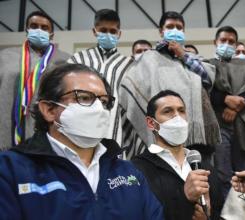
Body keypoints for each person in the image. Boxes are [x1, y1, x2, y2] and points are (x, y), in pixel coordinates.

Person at [0, 64, 163, 220]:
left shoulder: (128, 172)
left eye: (104, 101)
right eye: (84, 98)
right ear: (49, 110)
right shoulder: (10, 170)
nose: (99, 109)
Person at [119, 11, 219, 159]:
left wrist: (183, 55)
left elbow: (208, 79)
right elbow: (130, 85)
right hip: (163, 130)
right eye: (170, 26)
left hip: (196, 134)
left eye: (179, 27)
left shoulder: (193, 59)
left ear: (184, 31)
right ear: (161, 31)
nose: (175, 30)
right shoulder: (150, 58)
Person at [132, 90, 223, 220]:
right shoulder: (137, 169)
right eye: (167, 111)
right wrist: (184, 197)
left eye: (181, 111)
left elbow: (218, 212)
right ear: (152, 123)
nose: (177, 117)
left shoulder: (204, 168)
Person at [0, 11, 70, 150]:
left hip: (46, 132)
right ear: (27, 30)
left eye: (44, 28)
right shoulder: (5, 56)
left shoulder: (65, 60)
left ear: (52, 34)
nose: (39, 30)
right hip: (6, 128)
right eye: (34, 26)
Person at [207, 26, 245, 198]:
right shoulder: (208, 65)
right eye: (223, 40)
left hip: (243, 124)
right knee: (223, 172)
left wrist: (235, 107)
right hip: (218, 125)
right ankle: (227, 212)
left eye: (231, 42)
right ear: (215, 42)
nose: (227, 44)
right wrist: (225, 100)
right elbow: (206, 91)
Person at [68, 9, 133, 146]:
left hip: (114, 130)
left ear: (119, 34)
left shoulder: (129, 65)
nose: (108, 34)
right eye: (103, 30)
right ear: (94, 31)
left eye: (113, 31)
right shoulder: (78, 60)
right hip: (80, 127)